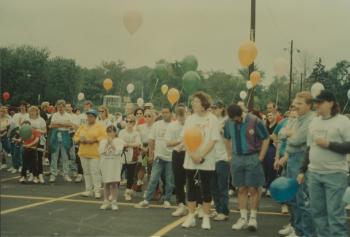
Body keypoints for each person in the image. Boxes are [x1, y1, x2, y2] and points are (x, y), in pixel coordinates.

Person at [297, 90, 350, 237]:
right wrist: (302, 170)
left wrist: (329, 144)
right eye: (316, 102)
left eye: (320, 102)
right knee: (318, 215)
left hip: (335, 174)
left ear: (331, 103)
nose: (317, 105)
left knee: (335, 217)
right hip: (314, 174)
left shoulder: (343, 121)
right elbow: (309, 148)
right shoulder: (314, 121)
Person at [224, 103, 270, 231]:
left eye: (236, 119)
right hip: (237, 158)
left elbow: (266, 139)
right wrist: (229, 155)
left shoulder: (255, 121)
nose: (234, 122)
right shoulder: (229, 122)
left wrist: (260, 157)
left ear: (240, 115)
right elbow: (226, 138)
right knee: (241, 189)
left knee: (253, 189)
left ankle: (253, 218)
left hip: (252, 157)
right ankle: (243, 218)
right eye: (232, 120)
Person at [181, 92, 220, 230]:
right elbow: (184, 138)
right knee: (190, 188)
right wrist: (192, 155)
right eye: (193, 101)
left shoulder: (212, 119)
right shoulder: (190, 119)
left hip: (206, 160)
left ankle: (206, 217)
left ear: (204, 104)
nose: (193, 103)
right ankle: (191, 216)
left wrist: (201, 155)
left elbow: (213, 140)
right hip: (190, 159)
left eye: (196, 101)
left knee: (206, 189)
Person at [283, 91, 315, 237]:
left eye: (300, 103)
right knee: (293, 197)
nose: (295, 106)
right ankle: (297, 229)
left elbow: (297, 139)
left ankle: (306, 233)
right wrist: (289, 134)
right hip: (292, 159)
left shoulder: (310, 119)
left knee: (302, 199)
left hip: (301, 159)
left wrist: (289, 134)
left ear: (309, 105)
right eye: (295, 103)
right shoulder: (298, 119)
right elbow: (282, 134)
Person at [135, 107, 174, 209]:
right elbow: (151, 140)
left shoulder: (174, 125)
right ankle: (147, 200)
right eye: (163, 112)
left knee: (169, 181)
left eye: (167, 112)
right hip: (158, 157)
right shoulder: (157, 125)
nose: (165, 114)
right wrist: (151, 154)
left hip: (170, 157)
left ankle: (167, 200)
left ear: (171, 113)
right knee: (153, 179)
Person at [74, 109, 107, 198]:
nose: (89, 118)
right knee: (86, 172)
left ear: (95, 117)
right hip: (83, 152)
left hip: (94, 153)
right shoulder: (82, 126)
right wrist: (79, 140)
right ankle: (88, 190)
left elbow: (104, 138)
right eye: (88, 116)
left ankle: (97, 191)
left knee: (95, 172)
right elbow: (75, 137)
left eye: (91, 116)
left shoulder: (100, 127)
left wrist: (93, 140)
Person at [165, 106, 187, 217]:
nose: (184, 118)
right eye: (182, 115)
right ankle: (181, 205)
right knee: (178, 181)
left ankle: (198, 205)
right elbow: (168, 143)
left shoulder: (190, 124)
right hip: (177, 154)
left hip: (190, 153)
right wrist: (180, 141)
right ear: (177, 116)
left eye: (185, 115)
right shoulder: (172, 126)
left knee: (194, 181)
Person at [210, 101, 230, 221]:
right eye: (212, 108)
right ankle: (218, 209)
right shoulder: (212, 121)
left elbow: (229, 139)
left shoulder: (226, 121)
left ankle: (224, 211)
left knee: (222, 186)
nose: (213, 110)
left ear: (222, 109)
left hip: (222, 158)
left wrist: (229, 156)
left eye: (216, 108)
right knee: (213, 186)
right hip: (212, 158)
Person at [99, 125, 125, 211]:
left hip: (115, 164)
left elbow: (118, 151)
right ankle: (106, 201)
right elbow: (101, 151)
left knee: (114, 183)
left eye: (112, 131)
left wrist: (112, 144)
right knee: (106, 183)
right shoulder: (103, 141)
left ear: (115, 132)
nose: (110, 133)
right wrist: (107, 143)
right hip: (106, 164)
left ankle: (114, 202)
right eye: (109, 131)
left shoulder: (119, 141)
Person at [49, 100, 73, 182]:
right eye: (58, 106)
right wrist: (64, 124)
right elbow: (52, 125)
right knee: (54, 156)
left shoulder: (68, 115)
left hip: (65, 135)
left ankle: (65, 174)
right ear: (57, 107)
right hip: (55, 135)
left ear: (64, 106)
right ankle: (53, 174)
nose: (60, 107)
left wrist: (59, 124)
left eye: (62, 106)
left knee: (65, 156)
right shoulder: (55, 115)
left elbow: (70, 125)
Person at [118, 114, 141, 201]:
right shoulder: (121, 132)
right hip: (122, 157)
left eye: (131, 121)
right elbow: (120, 142)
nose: (128, 123)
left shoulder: (136, 133)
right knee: (118, 175)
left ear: (134, 123)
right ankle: (113, 192)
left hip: (132, 157)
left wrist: (127, 144)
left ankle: (127, 192)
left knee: (130, 176)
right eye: (127, 121)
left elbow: (138, 143)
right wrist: (130, 144)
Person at [28, 106, 47, 183]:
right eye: (31, 111)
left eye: (34, 111)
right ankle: (32, 174)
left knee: (39, 158)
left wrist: (36, 130)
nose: (33, 112)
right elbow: (23, 129)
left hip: (39, 140)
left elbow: (45, 131)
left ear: (37, 112)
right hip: (29, 141)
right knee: (31, 158)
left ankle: (40, 175)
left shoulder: (41, 120)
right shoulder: (27, 119)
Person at [262, 112, 278, 196]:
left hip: (273, 147)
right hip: (265, 147)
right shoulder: (266, 126)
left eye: (271, 115)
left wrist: (271, 136)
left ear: (275, 116)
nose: (269, 117)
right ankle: (265, 185)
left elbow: (276, 137)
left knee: (271, 167)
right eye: (267, 116)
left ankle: (270, 187)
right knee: (264, 166)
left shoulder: (277, 126)